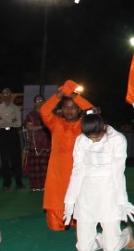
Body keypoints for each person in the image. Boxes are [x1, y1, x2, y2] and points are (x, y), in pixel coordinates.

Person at [63, 112, 134, 251]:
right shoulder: (81, 140)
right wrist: (70, 201)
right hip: (86, 194)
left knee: (111, 249)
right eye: (90, 138)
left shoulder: (118, 140)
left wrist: (122, 201)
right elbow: (77, 172)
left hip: (109, 193)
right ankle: (104, 239)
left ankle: (126, 235)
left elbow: (118, 173)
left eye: (96, 137)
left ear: (104, 128)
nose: (93, 140)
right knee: (84, 248)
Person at [40, 82, 95, 231]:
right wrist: (59, 95)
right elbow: (44, 111)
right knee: (57, 205)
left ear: (79, 109)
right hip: (58, 172)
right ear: (61, 110)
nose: (69, 110)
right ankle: (59, 222)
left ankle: (80, 221)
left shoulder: (85, 125)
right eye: (66, 107)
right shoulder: (55, 123)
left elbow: (93, 111)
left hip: (79, 171)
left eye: (73, 107)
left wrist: (72, 94)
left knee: (81, 199)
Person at [0, 87, 24, 189]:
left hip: (14, 133)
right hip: (3, 134)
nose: (6, 96)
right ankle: (6, 183)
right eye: (4, 94)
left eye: (8, 94)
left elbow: (18, 122)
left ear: (11, 95)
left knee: (16, 158)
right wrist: (10, 121)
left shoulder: (16, 108)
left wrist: (5, 120)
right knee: (4, 159)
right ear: (2, 96)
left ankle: (19, 182)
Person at [23, 94, 51, 191]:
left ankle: (46, 185)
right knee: (36, 165)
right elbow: (29, 127)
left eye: (41, 100)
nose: (40, 102)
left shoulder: (49, 113)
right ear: (34, 103)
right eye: (38, 101)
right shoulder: (31, 115)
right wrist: (41, 127)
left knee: (46, 165)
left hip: (47, 142)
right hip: (35, 142)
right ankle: (36, 186)